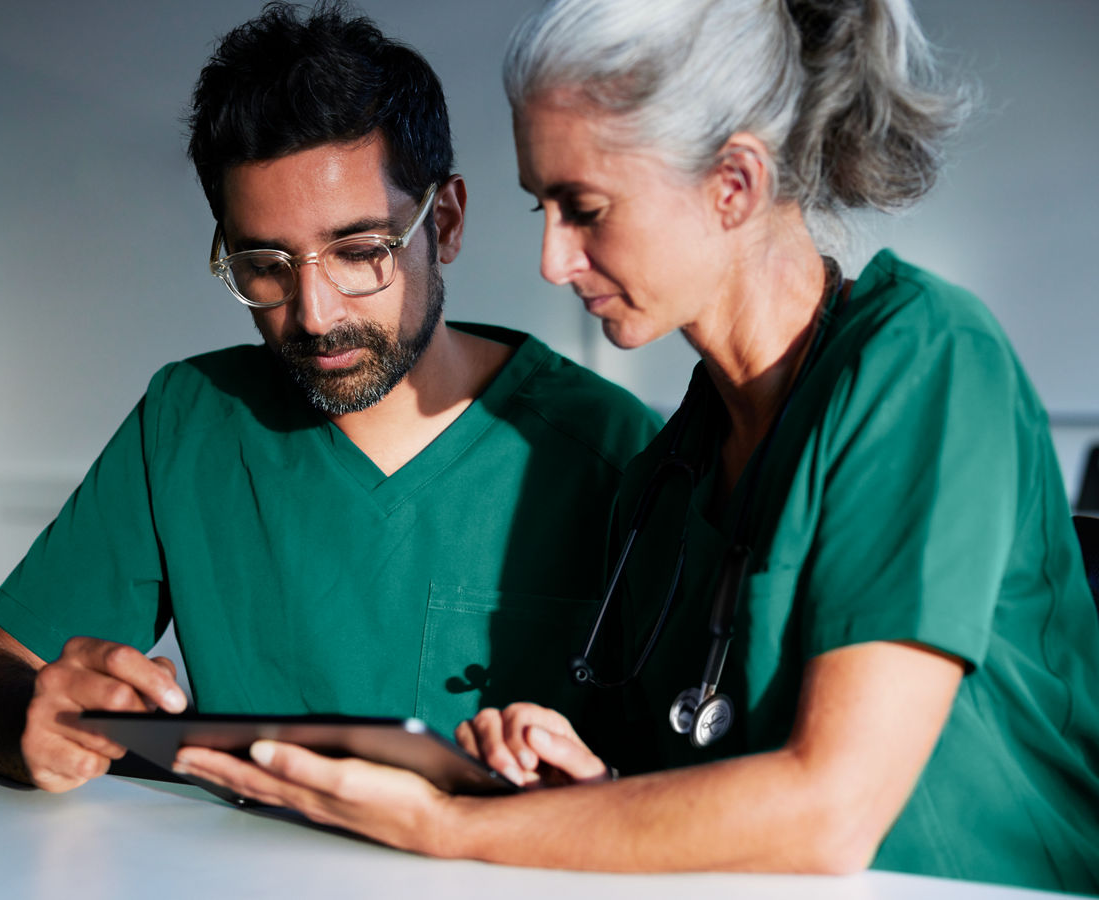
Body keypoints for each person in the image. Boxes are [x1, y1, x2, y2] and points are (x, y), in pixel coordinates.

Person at [169, 0, 1099, 893]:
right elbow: (713, 795)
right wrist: (593, 793)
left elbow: (830, 810)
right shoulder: (665, 472)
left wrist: (448, 827)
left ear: (732, 185)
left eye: (585, 208)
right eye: (543, 209)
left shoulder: (926, 360)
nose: (553, 260)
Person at [0, 2, 660, 795]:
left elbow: (687, 780)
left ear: (443, 221)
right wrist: (35, 719)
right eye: (265, 264)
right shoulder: (190, 421)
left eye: (358, 251)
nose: (314, 314)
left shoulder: (618, 452)